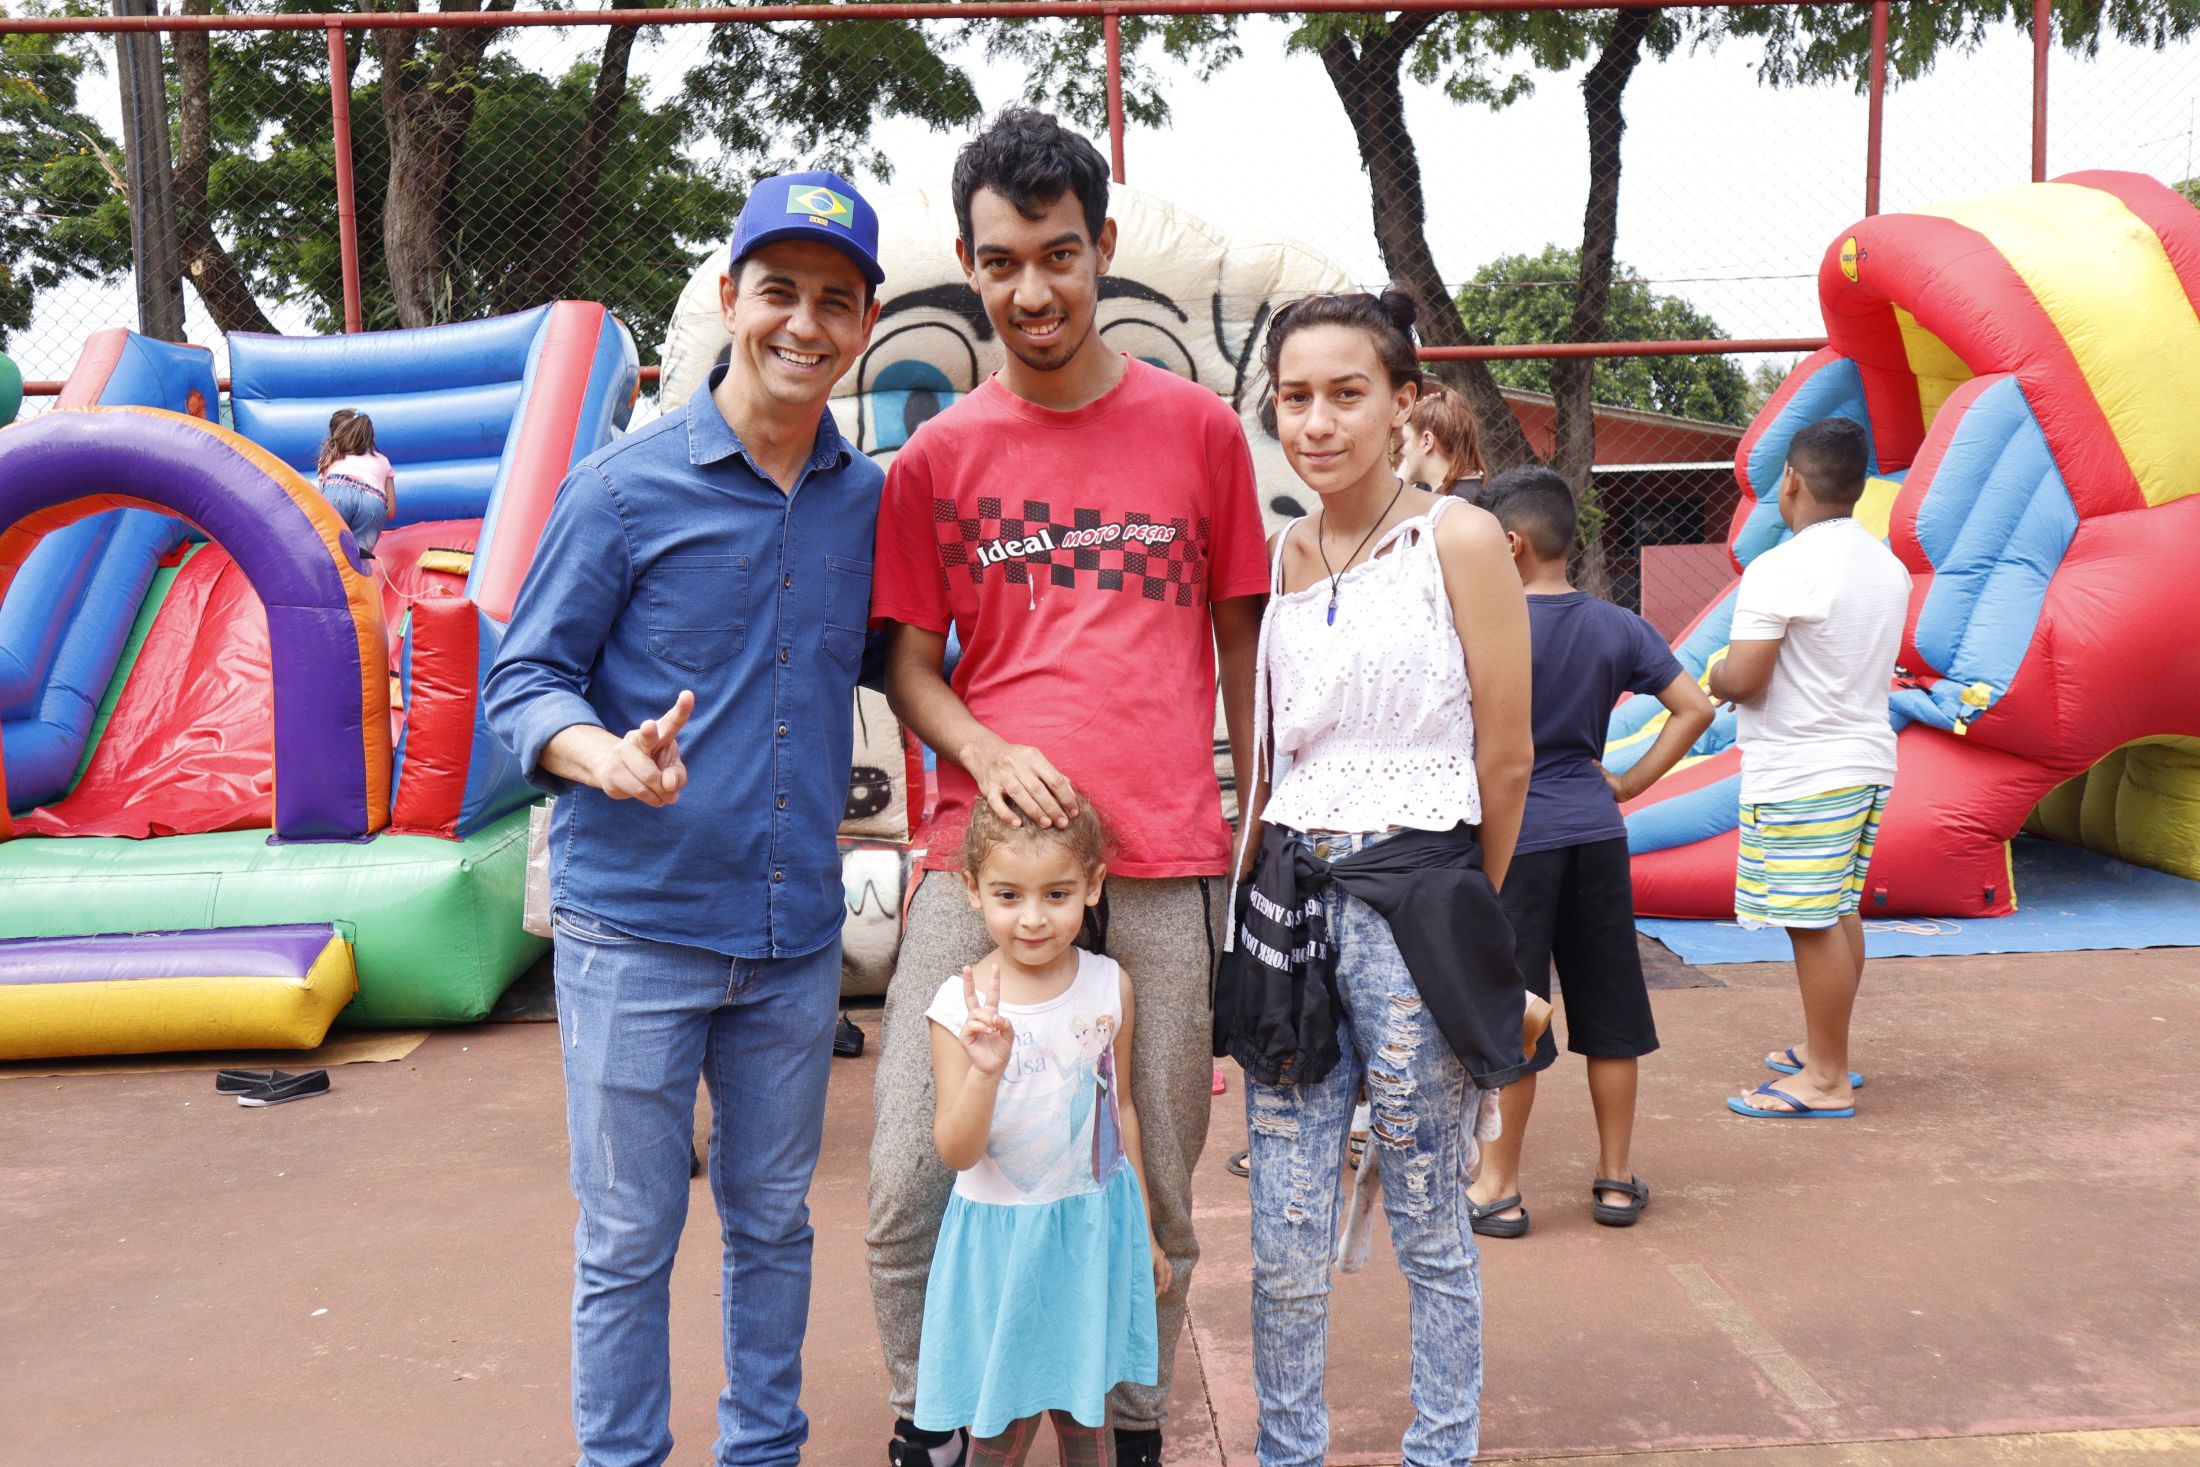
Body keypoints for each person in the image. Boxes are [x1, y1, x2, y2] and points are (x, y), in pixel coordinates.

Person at [865, 106, 1267, 1467]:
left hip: (1159, 856)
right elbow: (911, 668)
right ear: (967, 268)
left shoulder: (1199, 432)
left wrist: (1253, 837)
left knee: (1152, 1182)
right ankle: (936, 1419)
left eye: (1056, 255)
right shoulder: (937, 459)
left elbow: (1242, 649)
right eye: (999, 262)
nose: (1030, 290)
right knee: (911, 1176)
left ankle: (1130, 1421)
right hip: (978, 863)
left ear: (1100, 249)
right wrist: (986, 754)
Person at [481, 169, 885, 1467]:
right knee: (627, 1237)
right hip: (635, 929)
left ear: (866, 323)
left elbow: (920, 658)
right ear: (729, 297)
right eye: (779, 291)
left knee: (774, 1222)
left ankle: (764, 1449)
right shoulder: (620, 488)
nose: (804, 323)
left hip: (791, 936)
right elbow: (522, 680)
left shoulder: (865, 502)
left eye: (835, 300)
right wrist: (602, 754)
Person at [1224, 289, 1533, 1467]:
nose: (1317, 422)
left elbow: (1505, 753)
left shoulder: (1457, 539)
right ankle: (1286, 1452)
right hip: (1291, 905)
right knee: (1284, 1229)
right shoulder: (1282, 554)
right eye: (1295, 397)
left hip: (1419, 903)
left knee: (1428, 1219)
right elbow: (1271, 758)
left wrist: (1463, 911)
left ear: (1403, 401)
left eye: (1346, 394)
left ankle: (1438, 1451)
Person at [1463, 466, 1715, 1237]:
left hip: (1514, 840)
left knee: (1512, 1008)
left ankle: (1499, 1186)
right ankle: (1613, 1179)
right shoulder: (1617, 625)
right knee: (1610, 1010)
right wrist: (1629, 782)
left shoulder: (1484, 625)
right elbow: (1695, 707)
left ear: (1510, 545)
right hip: (1598, 835)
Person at [916, 798, 1164, 1467]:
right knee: (1000, 1426)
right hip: (1001, 1248)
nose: (1033, 917)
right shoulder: (957, 1005)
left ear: (1093, 885)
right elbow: (956, 1150)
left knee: (1088, 1422)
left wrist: (1142, 1230)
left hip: (1089, 1236)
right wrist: (985, 1072)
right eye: (1008, 895)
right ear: (972, 889)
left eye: (1057, 894)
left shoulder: (1110, 985)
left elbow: (1122, 1111)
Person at [1707, 416, 1908, 1119]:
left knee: (1811, 919)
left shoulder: (1781, 567)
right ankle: (1827, 1052)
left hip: (1803, 770)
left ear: (1790, 479)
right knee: (1838, 908)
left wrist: (1716, 673)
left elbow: (1745, 678)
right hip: (1863, 759)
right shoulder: (1886, 566)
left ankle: (1825, 1076)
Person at [316, 408, 396, 555]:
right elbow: (390, 510)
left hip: (337, 493)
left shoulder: (330, 457)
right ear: (369, 436)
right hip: (372, 502)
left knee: (328, 548)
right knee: (358, 558)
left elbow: (321, 499)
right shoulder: (383, 461)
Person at [1395, 381, 1487, 502]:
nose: (1402, 451)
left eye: (1406, 441)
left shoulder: (1456, 503)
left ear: (1427, 441)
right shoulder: (1431, 488)